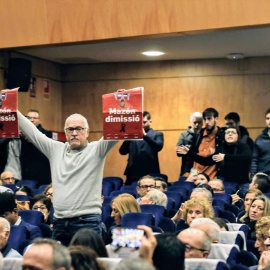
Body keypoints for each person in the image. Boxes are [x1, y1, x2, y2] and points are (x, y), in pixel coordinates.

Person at [17, 109, 118, 246]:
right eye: (70, 129)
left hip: (87, 222)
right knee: (59, 266)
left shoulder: (97, 150)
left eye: (79, 129)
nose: (74, 133)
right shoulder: (55, 149)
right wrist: (11, 107)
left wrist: (119, 108)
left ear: (87, 132)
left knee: (86, 265)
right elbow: (32, 132)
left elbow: (116, 130)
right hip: (59, 223)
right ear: (65, 132)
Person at [178, 125, 251, 198]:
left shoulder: (243, 146)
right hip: (226, 184)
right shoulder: (221, 149)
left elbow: (247, 158)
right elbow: (205, 161)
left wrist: (225, 157)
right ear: (224, 136)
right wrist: (189, 153)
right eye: (227, 132)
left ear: (237, 136)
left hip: (242, 184)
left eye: (233, 132)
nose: (230, 134)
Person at [5, 110, 52, 185]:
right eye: (29, 118)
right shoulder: (21, 133)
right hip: (25, 172)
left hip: (41, 172)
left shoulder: (46, 133)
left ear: (39, 121)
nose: (32, 120)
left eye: (34, 118)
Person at [178, 108, 224, 179]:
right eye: (205, 119)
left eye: (209, 119)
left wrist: (189, 153)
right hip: (195, 175)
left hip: (211, 177)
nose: (207, 122)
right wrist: (186, 172)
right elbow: (189, 158)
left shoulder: (221, 135)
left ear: (216, 119)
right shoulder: (198, 134)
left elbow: (212, 159)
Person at [119, 111, 164, 185]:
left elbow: (158, 147)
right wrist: (129, 137)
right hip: (132, 172)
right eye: (139, 122)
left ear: (150, 122)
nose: (142, 125)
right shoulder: (132, 135)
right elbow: (122, 151)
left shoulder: (157, 134)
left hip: (150, 171)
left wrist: (145, 135)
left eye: (144, 122)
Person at [251, 108, 270, 178]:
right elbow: (254, 160)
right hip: (263, 177)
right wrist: (253, 178)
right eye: (267, 118)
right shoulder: (260, 139)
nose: (269, 121)